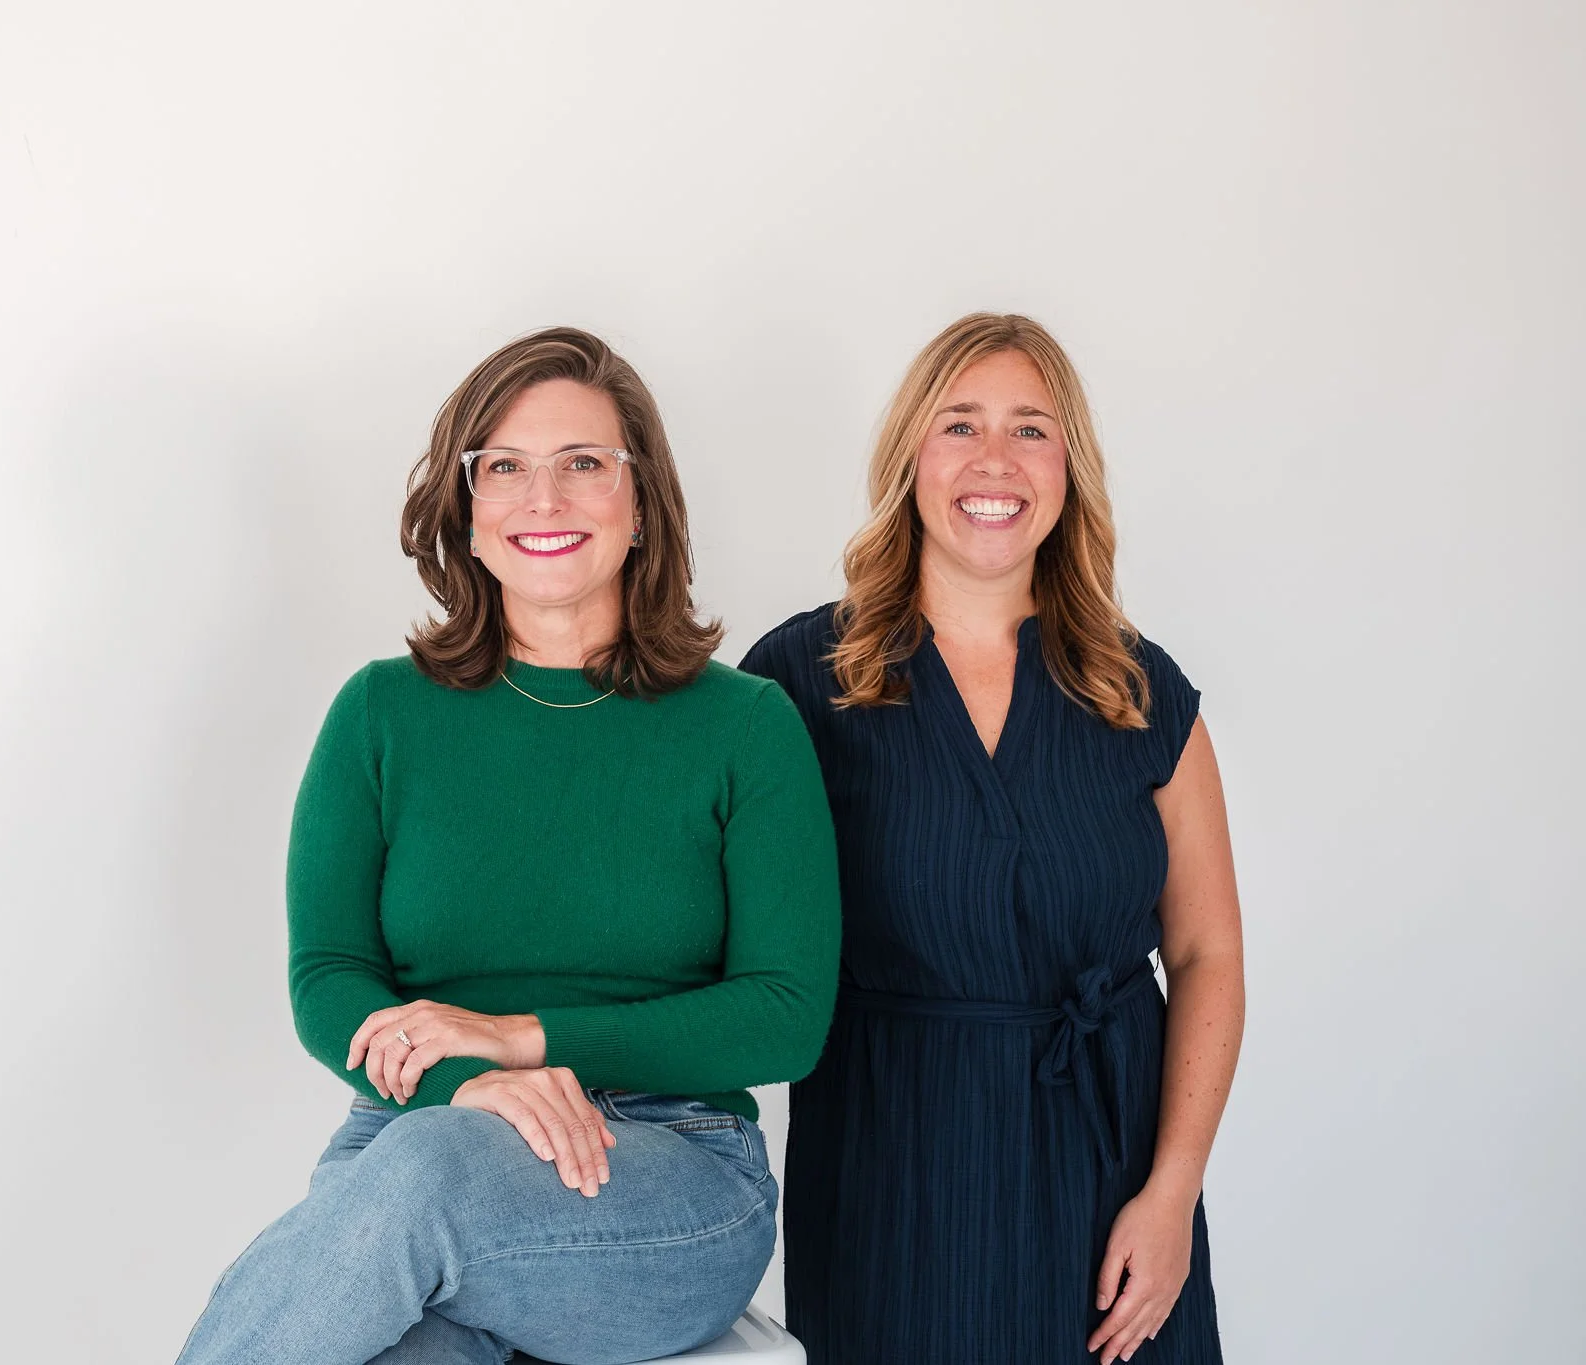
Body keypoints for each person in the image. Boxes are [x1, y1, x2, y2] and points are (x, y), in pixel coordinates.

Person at [175, 327, 841, 1365]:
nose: (545, 499)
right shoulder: (379, 715)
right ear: (466, 516)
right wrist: (464, 1087)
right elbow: (329, 975)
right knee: (408, 1336)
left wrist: (521, 1042)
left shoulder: (745, 727)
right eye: (504, 469)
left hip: (665, 1170)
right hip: (417, 1138)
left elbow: (784, 1018)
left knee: (428, 1176)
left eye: (584, 464)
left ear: (640, 505)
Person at [742, 313, 1245, 1365]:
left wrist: (1170, 1194)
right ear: (909, 459)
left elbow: (1204, 954)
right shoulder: (797, 682)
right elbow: (709, 927)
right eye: (958, 425)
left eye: (1030, 430)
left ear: (1068, 469)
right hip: (892, 1172)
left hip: (1109, 1178)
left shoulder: (1140, 693)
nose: (992, 460)